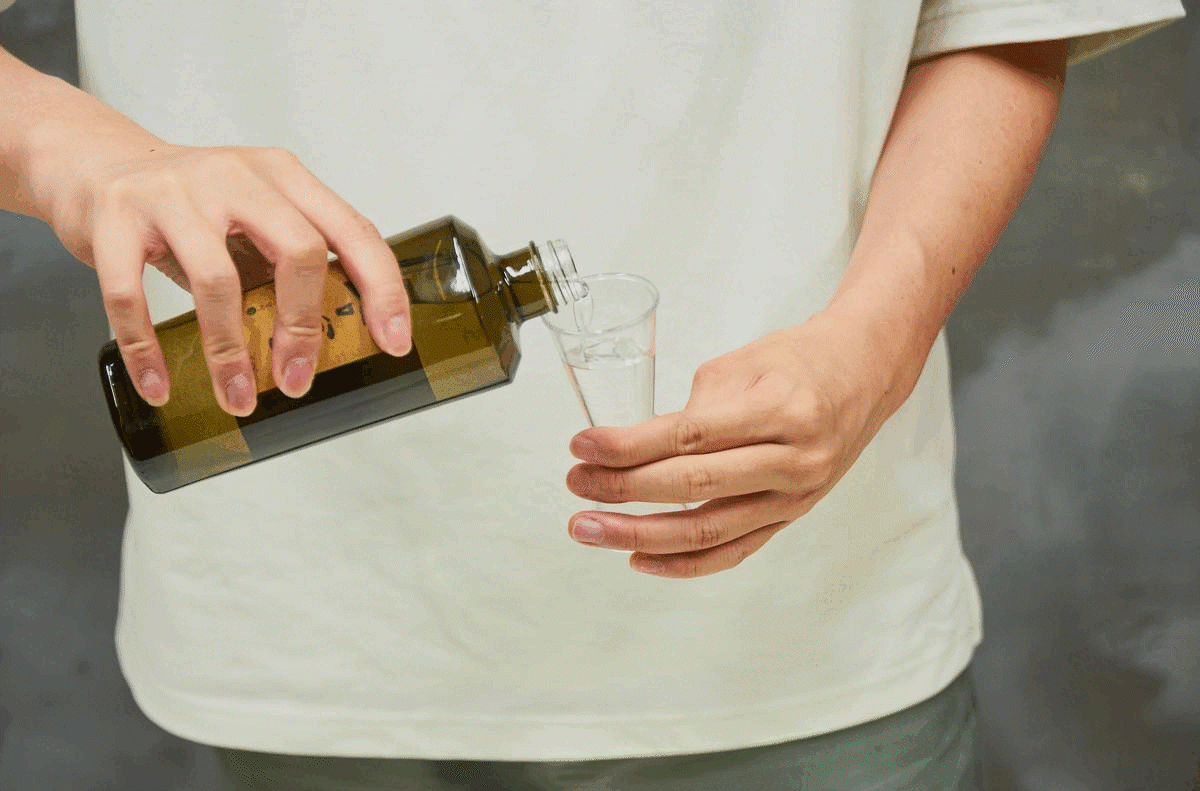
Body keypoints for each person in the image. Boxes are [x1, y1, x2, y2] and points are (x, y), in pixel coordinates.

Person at [0, 0, 1186, 788]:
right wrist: (75, 150)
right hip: (309, 645)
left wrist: (872, 346)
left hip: (798, 638)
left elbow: (1008, 16)